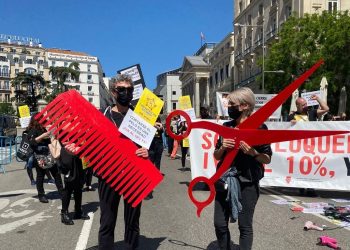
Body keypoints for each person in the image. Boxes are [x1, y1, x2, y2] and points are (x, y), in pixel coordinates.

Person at [213, 87, 272, 250]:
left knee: (244, 226)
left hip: (248, 182)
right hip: (225, 180)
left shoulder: (260, 128)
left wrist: (252, 152)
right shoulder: (226, 126)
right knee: (219, 223)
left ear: (245, 106)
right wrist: (223, 147)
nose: (228, 106)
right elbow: (217, 156)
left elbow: (267, 158)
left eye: (232, 103)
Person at [98, 74, 149, 250]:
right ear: (113, 92)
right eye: (121, 89)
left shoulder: (140, 118)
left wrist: (146, 151)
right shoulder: (102, 116)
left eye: (129, 90)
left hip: (134, 175)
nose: (126, 93)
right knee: (107, 222)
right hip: (108, 175)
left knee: (133, 222)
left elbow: (149, 145)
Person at [287, 95, 329, 197]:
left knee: (312, 165)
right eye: (303, 104)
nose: (306, 106)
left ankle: (310, 187)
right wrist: (291, 123)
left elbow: (326, 109)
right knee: (300, 165)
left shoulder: (312, 112)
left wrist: (318, 99)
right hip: (299, 146)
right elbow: (287, 128)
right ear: (297, 106)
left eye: (306, 104)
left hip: (312, 145)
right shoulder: (292, 116)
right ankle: (301, 185)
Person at [27, 115, 64, 203]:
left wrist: (51, 134)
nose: (45, 120)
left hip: (49, 154)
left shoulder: (43, 128)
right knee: (40, 176)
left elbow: (49, 140)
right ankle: (41, 195)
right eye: (42, 118)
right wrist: (43, 136)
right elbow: (32, 142)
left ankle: (62, 193)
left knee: (56, 174)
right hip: (40, 156)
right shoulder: (33, 130)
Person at [59, 141, 90, 225]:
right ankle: (64, 213)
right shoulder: (66, 128)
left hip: (80, 153)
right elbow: (62, 139)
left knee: (79, 186)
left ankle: (78, 210)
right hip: (69, 152)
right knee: (68, 187)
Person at [146, 116, 164, 200]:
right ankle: (150, 178)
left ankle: (156, 175)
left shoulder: (160, 123)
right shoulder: (149, 123)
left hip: (159, 144)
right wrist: (152, 126)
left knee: (158, 161)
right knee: (150, 163)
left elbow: (162, 132)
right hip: (151, 145)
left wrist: (160, 127)